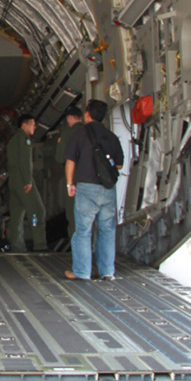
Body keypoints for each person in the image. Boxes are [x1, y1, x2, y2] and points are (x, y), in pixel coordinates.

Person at [64, 99, 124, 281]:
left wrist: (69, 184)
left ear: (87, 114)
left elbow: (70, 161)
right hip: (107, 189)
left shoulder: (79, 134)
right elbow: (119, 165)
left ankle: (82, 272)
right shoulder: (111, 136)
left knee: (83, 231)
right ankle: (107, 271)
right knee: (106, 230)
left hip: (86, 188)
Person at [6, 114, 47, 253]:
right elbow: (25, 161)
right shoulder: (24, 139)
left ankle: (17, 246)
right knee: (37, 211)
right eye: (32, 124)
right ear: (24, 125)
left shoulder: (12, 140)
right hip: (23, 181)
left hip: (13, 181)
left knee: (17, 215)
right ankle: (40, 244)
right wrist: (28, 181)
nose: (34, 127)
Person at [54, 106, 83, 238]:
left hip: (74, 178)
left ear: (70, 118)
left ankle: (78, 252)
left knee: (73, 215)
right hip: (92, 179)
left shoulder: (68, 132)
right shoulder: (89, 130)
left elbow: (60, 157)